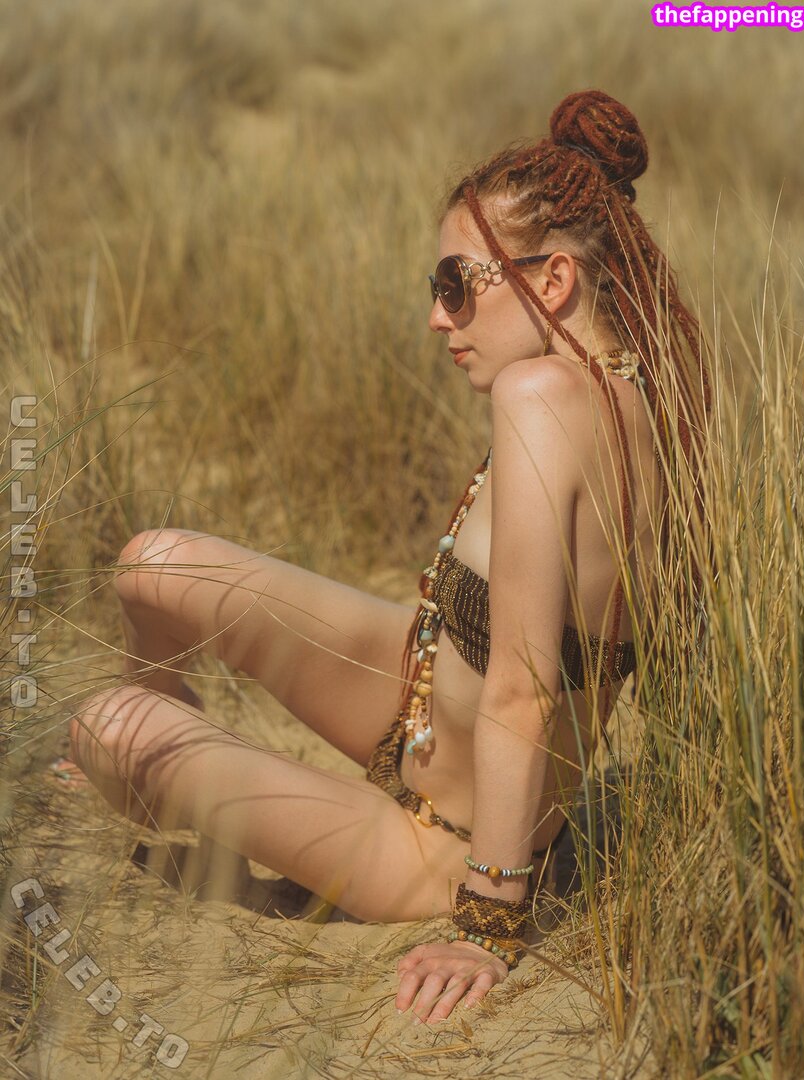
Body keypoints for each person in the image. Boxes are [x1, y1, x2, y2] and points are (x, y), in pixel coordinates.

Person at [67, 89, 709, 1025]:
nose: (438, 318)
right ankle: (168, 731)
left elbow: (524, 689)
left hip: (441, 840)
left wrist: (488, 919)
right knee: (151, 562)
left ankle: (153, 758)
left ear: (555, 281)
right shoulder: (639, 396)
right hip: (412, 693)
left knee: (112, 728)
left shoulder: (539, 398)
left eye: (457, 284)